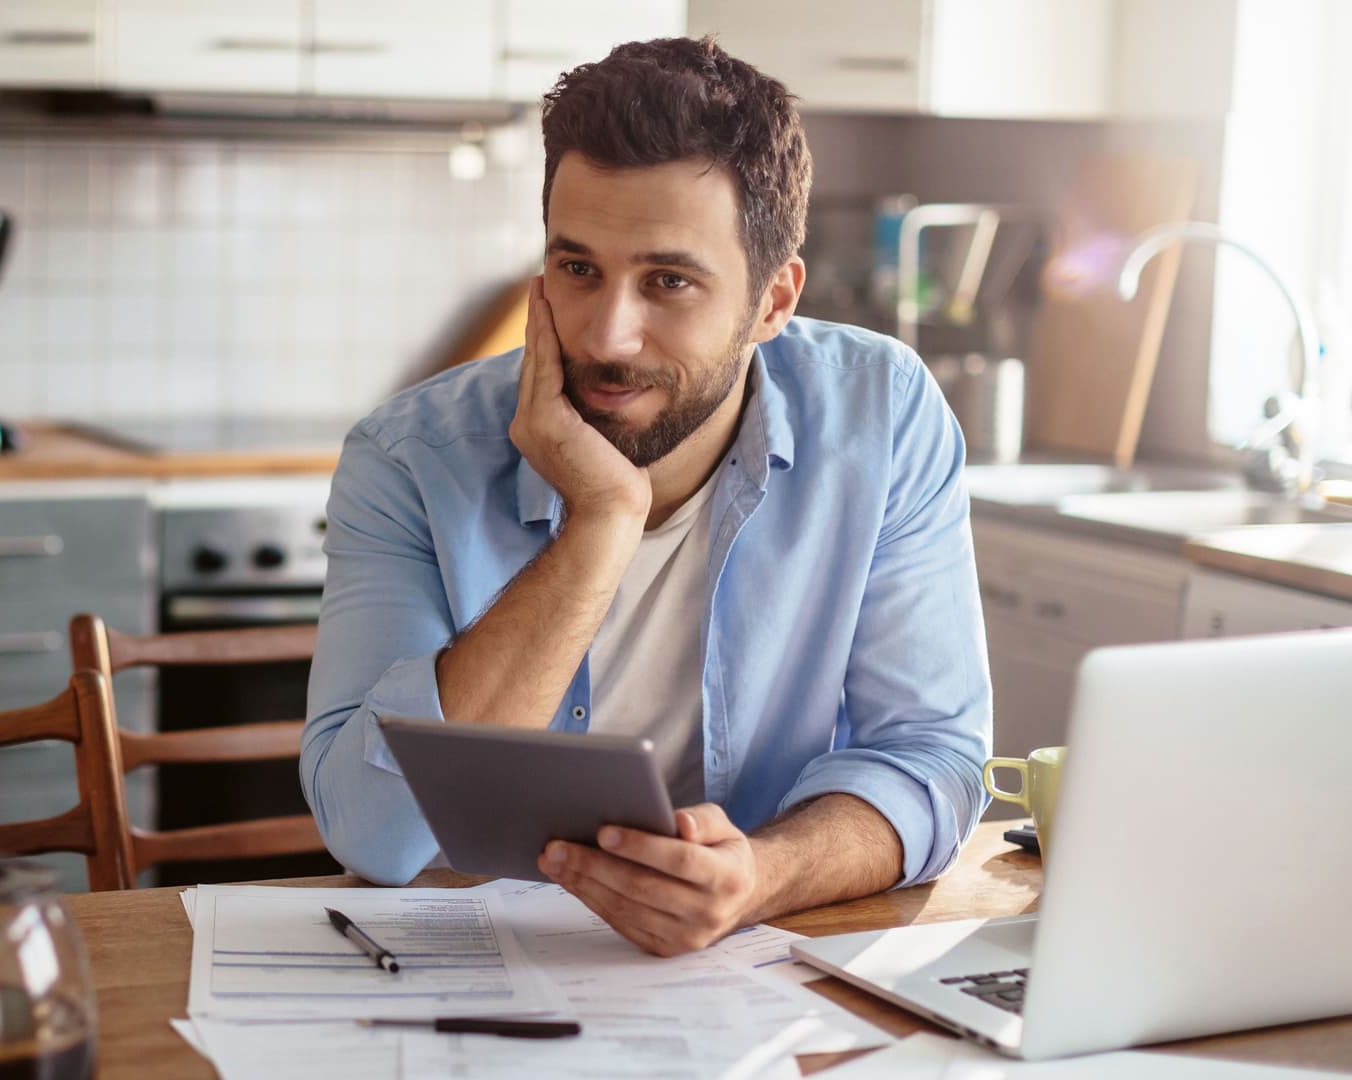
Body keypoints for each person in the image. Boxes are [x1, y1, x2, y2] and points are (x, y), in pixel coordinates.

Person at [301, 36, 991, 957]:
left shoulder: (883, 413)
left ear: (774, 301)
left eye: (668, 281)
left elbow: (933, 758)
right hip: (472, 964)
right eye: (577, 269)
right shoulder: (410, 458)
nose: (607, 337)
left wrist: (760, 877)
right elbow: (375, 836)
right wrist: (601, 523)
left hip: (759, 968)